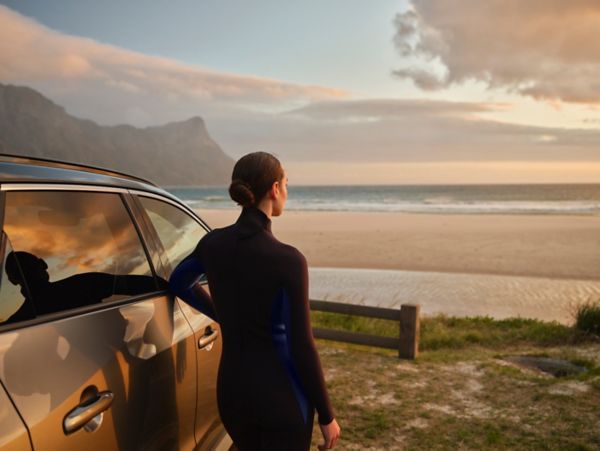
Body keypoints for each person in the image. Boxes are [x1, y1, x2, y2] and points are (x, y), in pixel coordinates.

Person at [170, 152, 340, 450]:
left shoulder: (213, 244)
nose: (287, 191)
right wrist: (327, 416)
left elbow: (179, 282)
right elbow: (302, 345)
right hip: (281, 399)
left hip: (232, 395)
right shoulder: (288, 260)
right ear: (274, 189)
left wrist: (223, 313)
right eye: (286, 184)